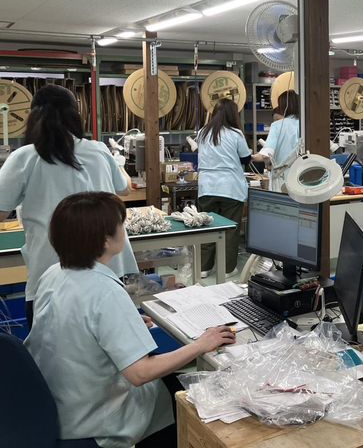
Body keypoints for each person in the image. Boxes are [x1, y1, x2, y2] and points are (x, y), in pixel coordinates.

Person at [25, 192, 235, 447]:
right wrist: (201, 345)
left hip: (59, 403)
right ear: (105, 239)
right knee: (195, 398)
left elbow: (74, 327)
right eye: (120, 224)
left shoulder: (53, 274)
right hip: (95, 419)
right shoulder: (104, 291)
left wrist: (123, 327)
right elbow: (140, 373)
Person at [0, 85, 137, 327]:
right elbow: (125, 187)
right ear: (75, 116)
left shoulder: (25, 157)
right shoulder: (98, 150)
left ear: (33, 118)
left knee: (52, 348)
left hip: (52, 275)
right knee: (112, 344)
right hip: (108, 272)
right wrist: (120, 165)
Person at [197, 97, 252, 276]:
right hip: (230, 188)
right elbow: (246, 159)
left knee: (207, 228)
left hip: (207, 187)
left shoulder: (202, 133)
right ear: (233, 114)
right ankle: (228, 269)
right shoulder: (236, 134)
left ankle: (204, 268)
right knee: (229, 230)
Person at [254, 89, 300, 192]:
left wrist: (251, 158)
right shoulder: (306, 123)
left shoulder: (277, 126)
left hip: (283, 179)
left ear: (283, 106)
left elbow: (266, 154)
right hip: (303, 178)